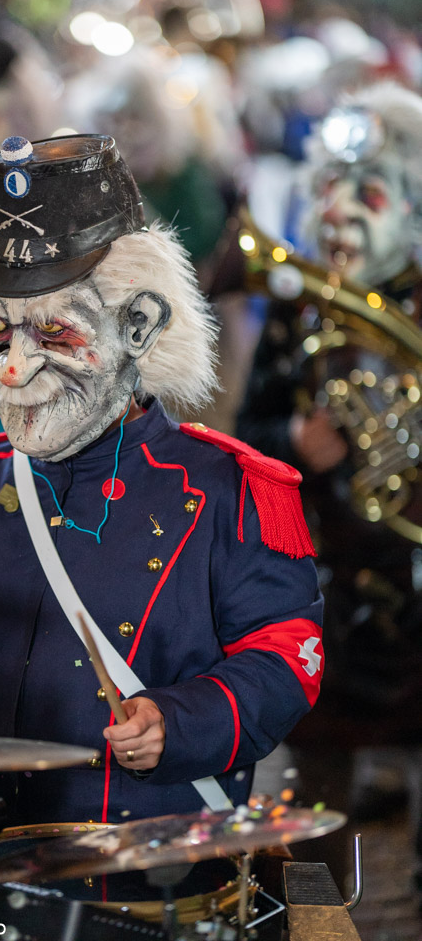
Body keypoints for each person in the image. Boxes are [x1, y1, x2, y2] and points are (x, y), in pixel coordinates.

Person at [0, 133, 323, 830]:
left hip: (146, 873)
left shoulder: (230, 489)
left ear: (137, 327)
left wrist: (178, 722)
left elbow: (286, 653)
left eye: (52, 334)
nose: (12, 369)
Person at [235, 82, 422, 882]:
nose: (340, 213)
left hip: (413, 576)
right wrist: (290, 440)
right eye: (326, 192)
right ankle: (315, 916)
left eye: (366, 195)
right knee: (316, 796)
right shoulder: (295, 305)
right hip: (328, 580)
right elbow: (249, 427)